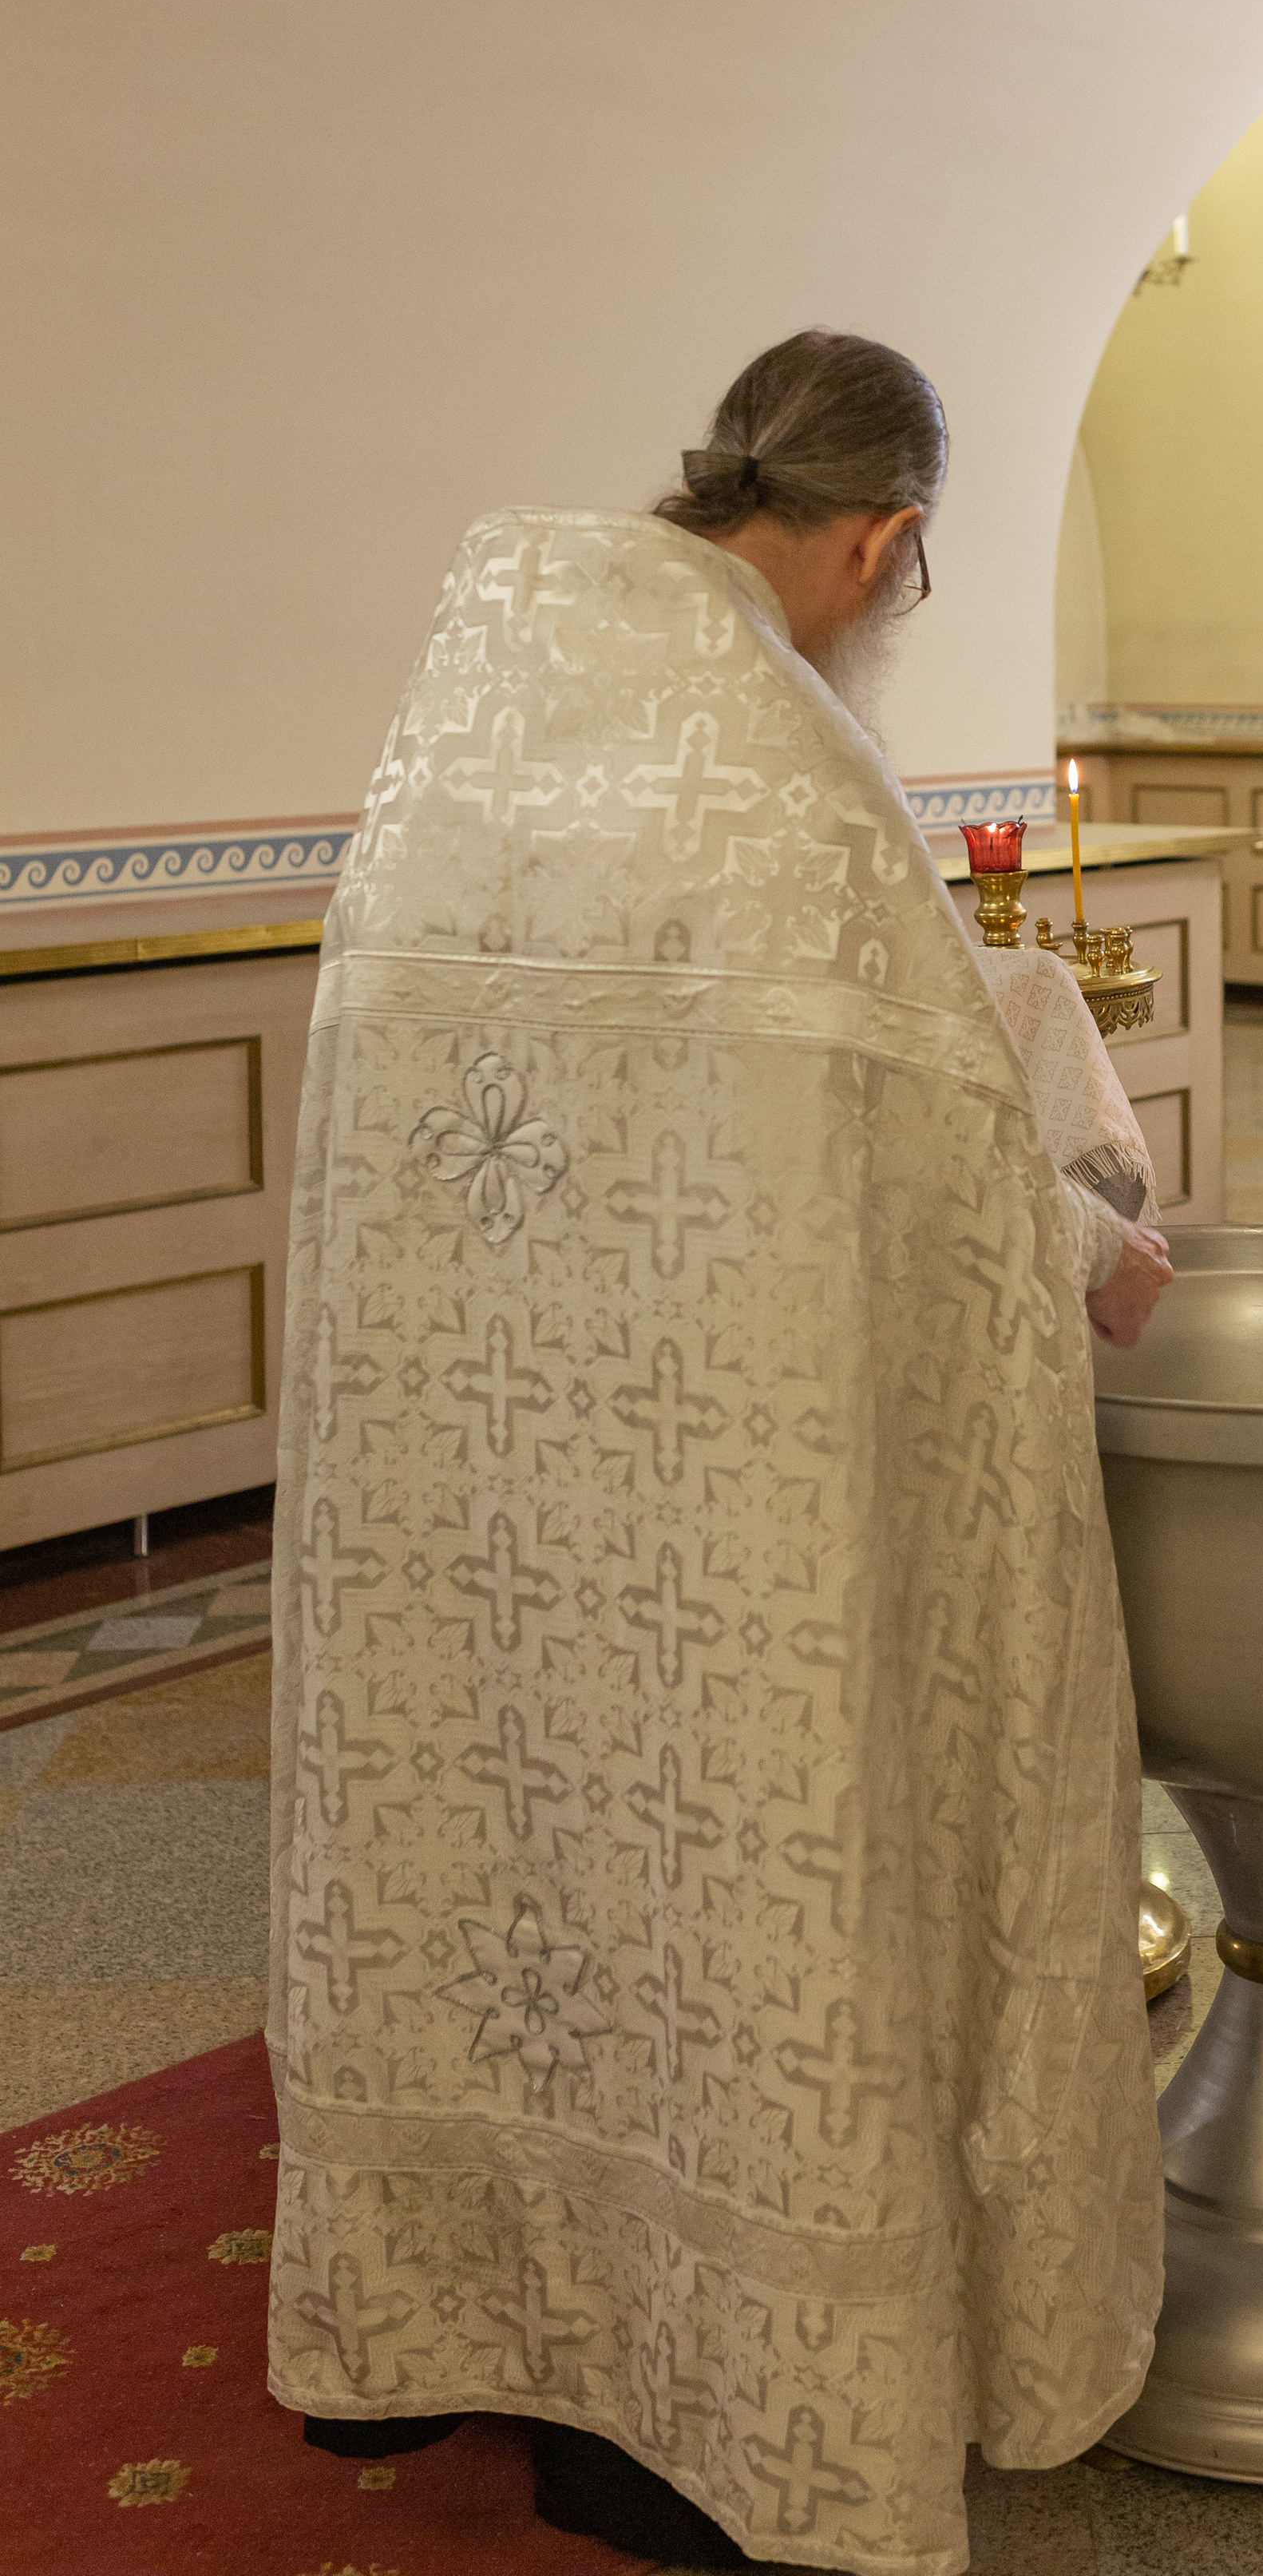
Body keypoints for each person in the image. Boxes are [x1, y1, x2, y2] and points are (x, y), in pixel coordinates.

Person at [268, 331, 1169, 2573]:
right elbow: (950, 1159)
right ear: (888, 539)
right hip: (722, 1478)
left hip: (484, 1458)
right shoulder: (781, 770)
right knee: (732, 1880)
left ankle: (479, 2321)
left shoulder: (476, 706)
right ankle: (732, 2403)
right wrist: (1089, 1250)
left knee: (514, 1839)